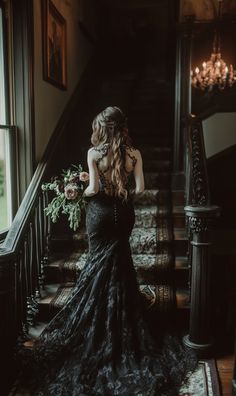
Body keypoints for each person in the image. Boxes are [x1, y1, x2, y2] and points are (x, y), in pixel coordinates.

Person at [17, 106, 197, 395]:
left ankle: (97, 322)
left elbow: (94, 190)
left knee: (97, 263)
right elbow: (140, 188)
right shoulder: (134, 154)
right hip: (123, 214)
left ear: (102, 127)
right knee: (119, 261)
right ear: (123, 127)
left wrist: (75, 186)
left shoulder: (93, 154)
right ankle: (122, 318)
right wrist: (122, 193)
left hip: (99, 215)